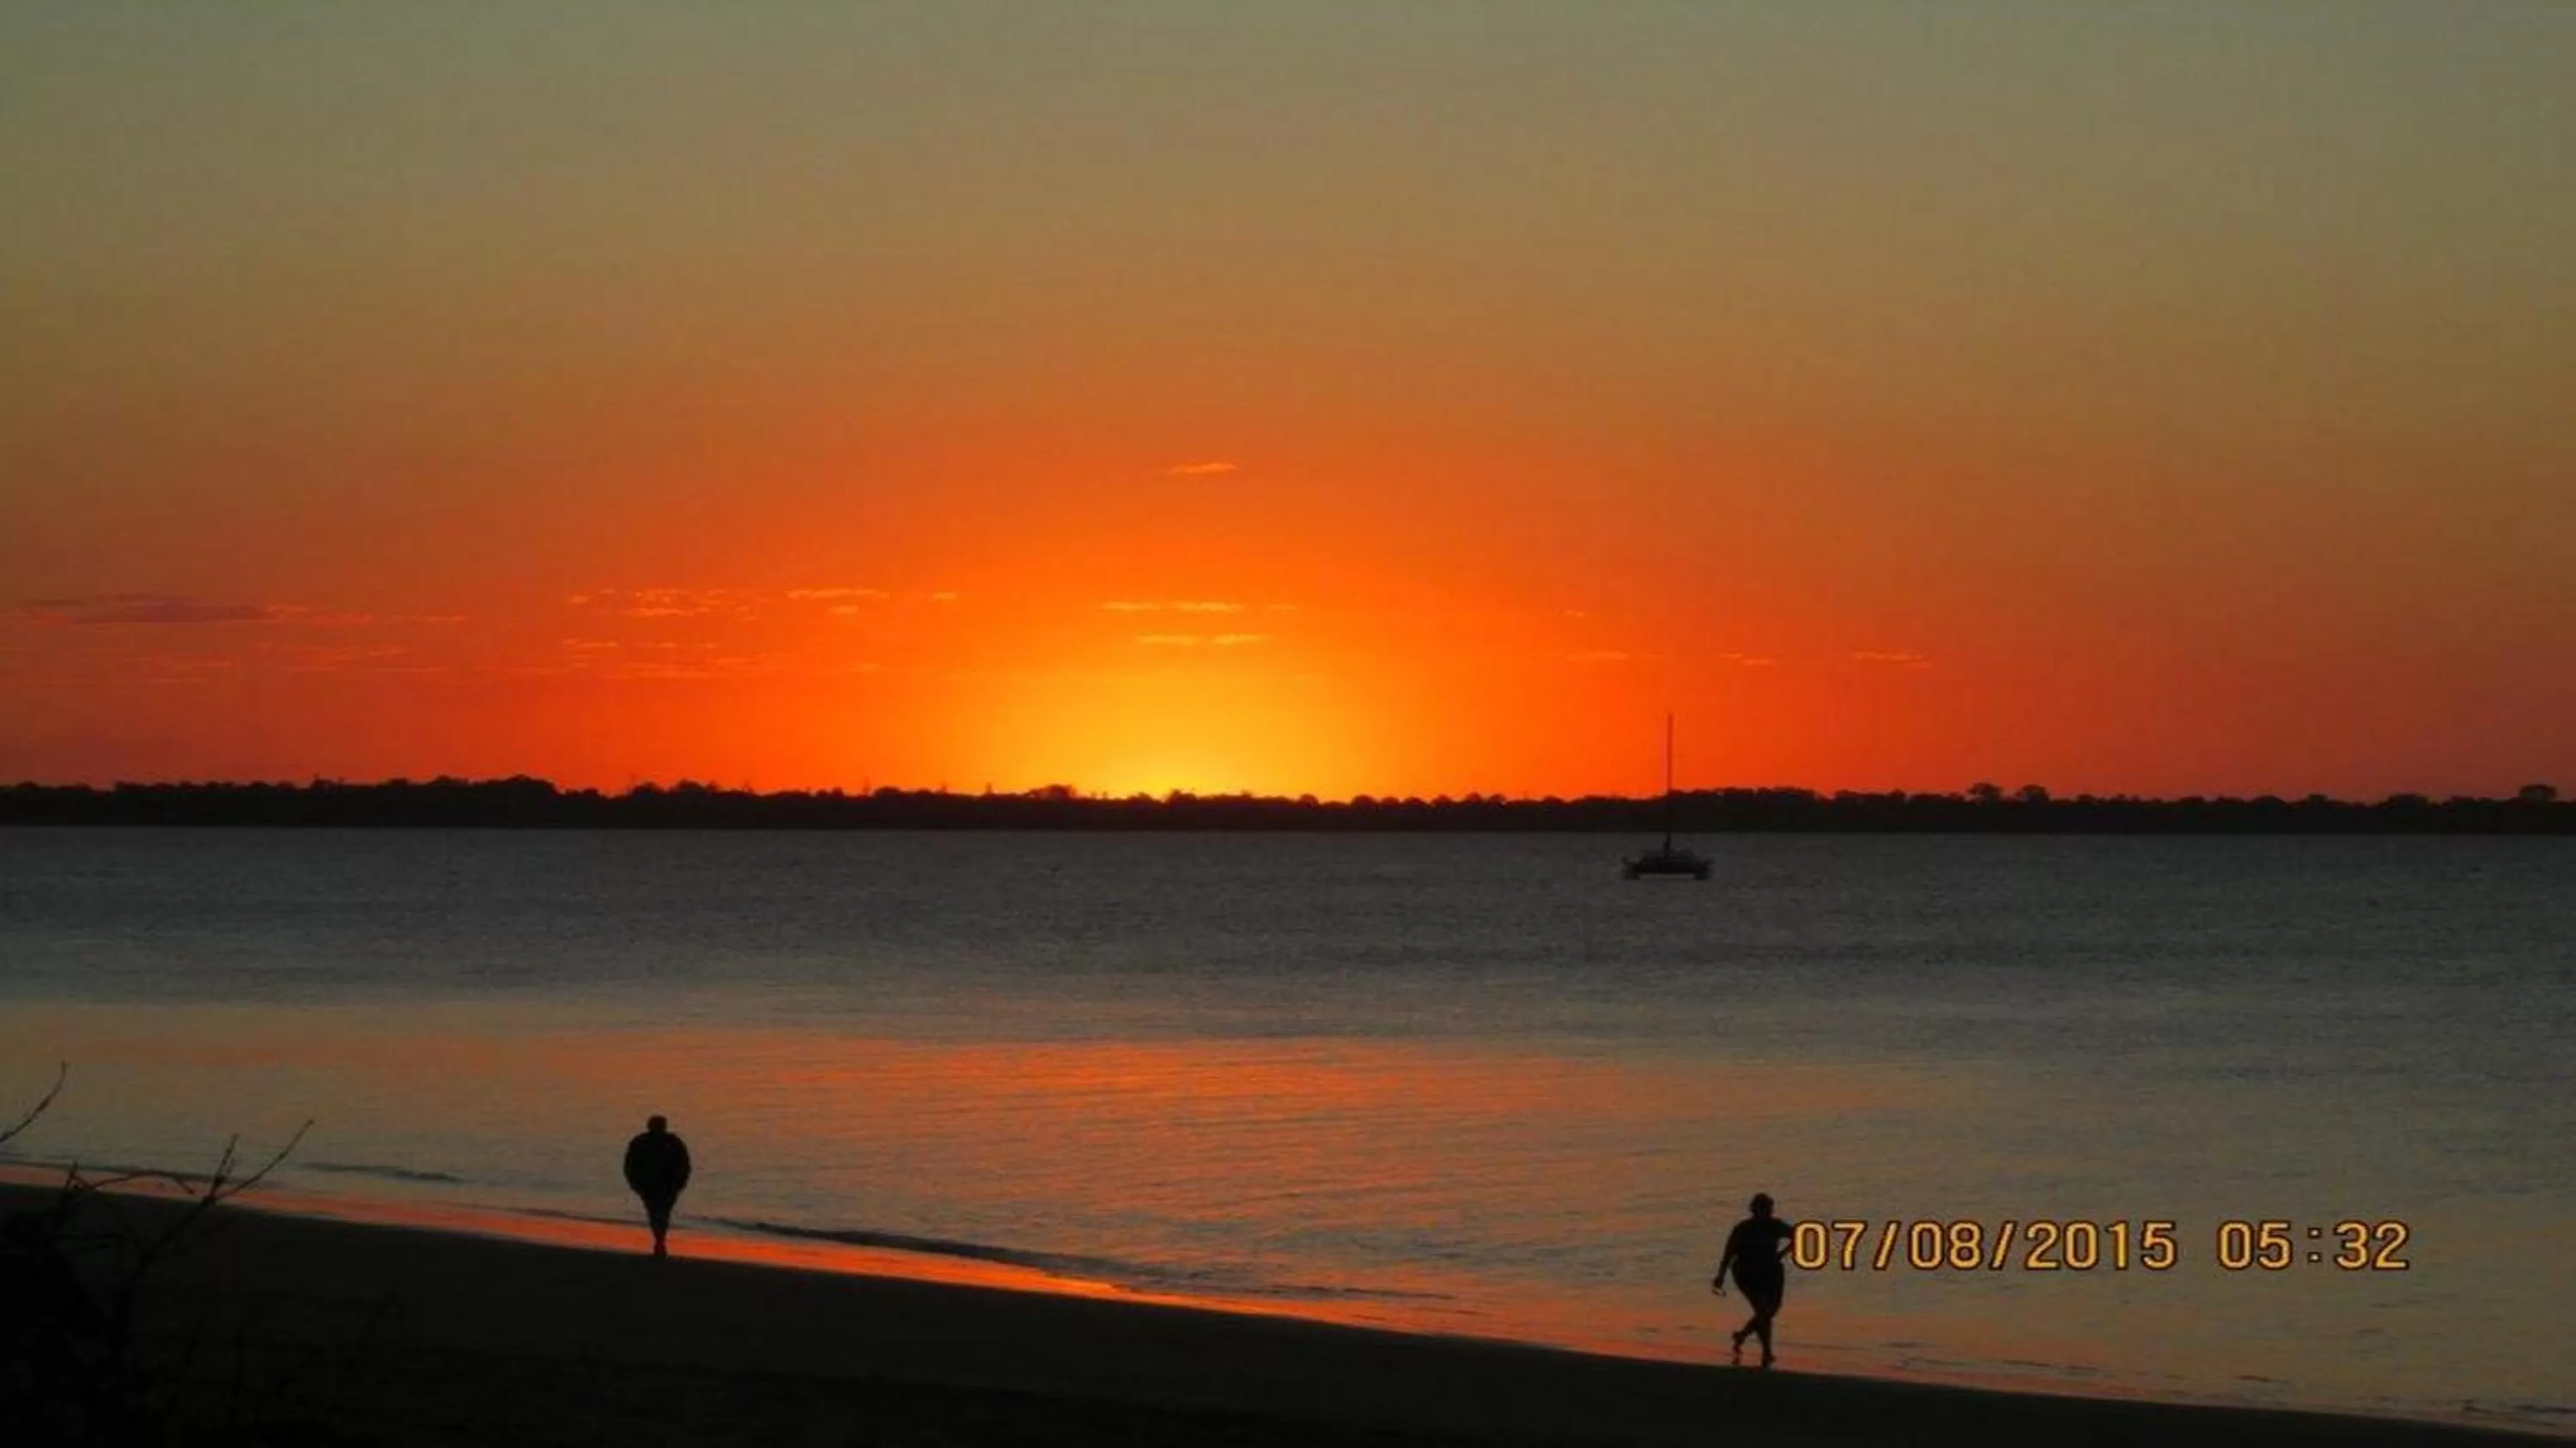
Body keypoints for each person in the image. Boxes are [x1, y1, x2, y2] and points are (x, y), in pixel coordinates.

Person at [1710, 1191, 1792, 1366]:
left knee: (1771, 1310)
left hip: (1771, 1271)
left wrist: (1782, 1254)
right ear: (1755, 1210)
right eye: (1764, 1209)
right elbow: (1729, 1253)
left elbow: (1799, 1235)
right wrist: (1721, 1276)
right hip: (1747, 1272)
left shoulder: (1775, 1225)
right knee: (1763, 1311)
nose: (1768, 1212)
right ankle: (1767, 1352)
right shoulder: (1743, 1228)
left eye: (1770, 1209)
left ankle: (1742, 1336)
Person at [622, 1114, 693, 1257]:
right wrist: (635, 1184)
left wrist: (680, 1183)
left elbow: (685, 1164)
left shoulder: (672, 1141)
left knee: (661, 1213)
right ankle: (660, 1241)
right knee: (656, 1213)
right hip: (649, 1186)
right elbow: (630, 1165)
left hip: (669, 1186)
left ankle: (660, 1241)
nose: (659, 1128)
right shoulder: (641, 1142)